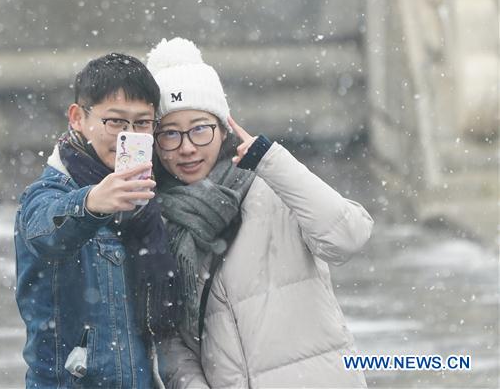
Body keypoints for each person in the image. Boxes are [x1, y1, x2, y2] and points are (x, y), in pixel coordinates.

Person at [146, 37, 373, 389]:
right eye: (170, 134)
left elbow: (347, 238)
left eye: (200, 129)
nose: (187, 147)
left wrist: (271, 161)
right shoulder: (156, 219)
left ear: (224, 129)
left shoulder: (272, 187)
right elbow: (170, 338)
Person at [15, 53, 179, 389]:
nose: (128, 136)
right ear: (77, 118)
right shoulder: (51, 190)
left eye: (142, 123)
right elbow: (44, 231)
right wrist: (90, 204)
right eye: (115, 122)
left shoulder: (147, 200)